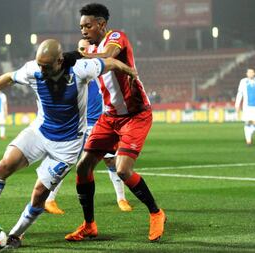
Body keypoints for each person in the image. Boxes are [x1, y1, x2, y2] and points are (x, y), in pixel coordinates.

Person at [0, 39, 137, 249]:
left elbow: (111, 63)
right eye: (39, 64)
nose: (42, 69)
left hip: (67, 146)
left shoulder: (82, 68)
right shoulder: (33, 70)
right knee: (4, 165)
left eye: (46, 66)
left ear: (60, 61)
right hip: (39, 132)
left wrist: (131, 72)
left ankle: (15, 235)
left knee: (40, 192)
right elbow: (8, 77)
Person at [65, 3, 166, 243]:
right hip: (109, 117)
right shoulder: (91, 50)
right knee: (83, 167)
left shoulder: (115, 37)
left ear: (101, 24)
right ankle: (89, 225)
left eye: (88, 25)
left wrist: (79, 55)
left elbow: (109, 56)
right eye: (81, 27)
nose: (84, 30)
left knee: (122, 169)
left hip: (136, 115)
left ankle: (156, 213)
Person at [44, 39, 132, 215]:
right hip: (80, 125)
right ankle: (49, 199)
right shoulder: (73, 70)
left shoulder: (97, 67)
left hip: (100, 123)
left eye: (88, 48)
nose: (85, 50)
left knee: (111, 161)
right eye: (82, 48)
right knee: (66, 162)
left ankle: (121, 198)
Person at [235, 68, 255, 146]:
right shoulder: (243, 81)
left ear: (254, 73)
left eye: (251, 72)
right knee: (247, 123)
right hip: (247, 107)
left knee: (253, 123)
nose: (249, 73)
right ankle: (248, 141)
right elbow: (240, 94)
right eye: (248, 72)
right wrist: (237, 105)